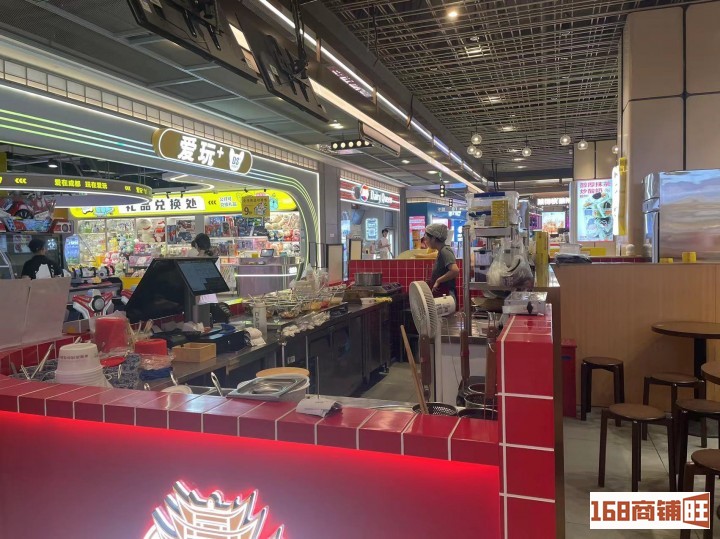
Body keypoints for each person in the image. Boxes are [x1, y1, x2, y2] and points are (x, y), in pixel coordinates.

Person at [424, 223, 459, 299]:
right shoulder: (441, 251)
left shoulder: (445, 251)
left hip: (447, 295)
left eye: (426, 238)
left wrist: (438, 281)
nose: (425, 241)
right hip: (444, 295)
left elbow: (455, 271)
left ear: (433, 238)